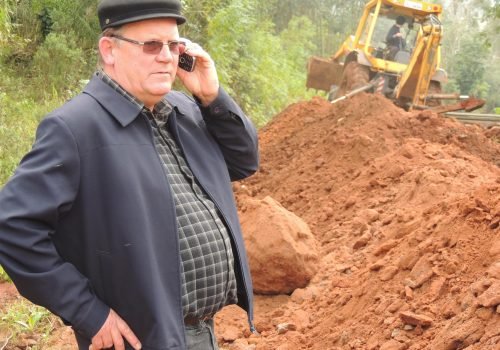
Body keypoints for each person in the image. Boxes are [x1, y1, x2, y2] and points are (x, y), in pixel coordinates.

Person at [0, 0, 259, 349]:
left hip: (202, 332)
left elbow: (243, 161)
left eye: (174, 46)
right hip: (141, 341)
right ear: (109, 50)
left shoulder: (184, 110)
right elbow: (11, 226)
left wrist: (212, 97)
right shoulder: (75, 129)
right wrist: (88, 313)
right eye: (151, 45)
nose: (166, 57)